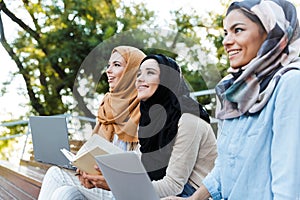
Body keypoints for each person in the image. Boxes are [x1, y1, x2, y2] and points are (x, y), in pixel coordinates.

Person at [163, 0, 300, 199]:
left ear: (272, 32)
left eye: (238, 30)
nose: (226, 41)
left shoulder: (290, 83)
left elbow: (289, 186)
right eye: (226, 32)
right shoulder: (232, 91)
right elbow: (225, 166)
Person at [38, 45, 146, 200]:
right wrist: (83, 167)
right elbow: (94, 147)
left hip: (128, 190)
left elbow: (142, 167)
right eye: (109, 65)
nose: (108, 70)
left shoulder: (147, 109)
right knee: (64, 194)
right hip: (103, 184)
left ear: (133, 71)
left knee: (56, 175)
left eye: (116, 65)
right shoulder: (108, 106)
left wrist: (110, 173)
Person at [136, 54, 217, 198]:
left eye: (150, 73)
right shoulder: (150, 120)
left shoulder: (189, 119)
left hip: (190, 194)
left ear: (167, 80)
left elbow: (174, 186)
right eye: (139, 73)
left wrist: (125, 188)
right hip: (161, 190)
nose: (140, 79)